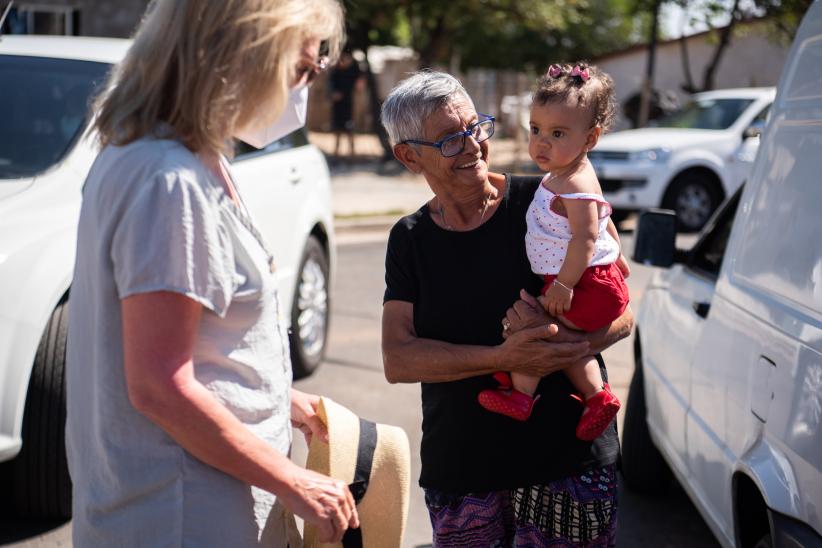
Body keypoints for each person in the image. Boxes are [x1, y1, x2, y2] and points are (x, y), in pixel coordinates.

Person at [65, 1, 359, 545]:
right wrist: (292, 480)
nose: (308, 84)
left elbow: (199, 343)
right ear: (245, 55)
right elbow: (160, 385)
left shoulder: (176, 154)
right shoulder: (167, 178)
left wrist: (276, 398)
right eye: (302, 68)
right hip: (182, 517)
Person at [380, 70, 633, 546]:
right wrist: (506, 357)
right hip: (465, 472)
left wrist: (557, 345)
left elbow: (622, 308)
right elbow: (398, 358)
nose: (473, 145)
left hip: (568, 465)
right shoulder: (410, 240)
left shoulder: (548, 201)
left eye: (475, 127)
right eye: (450, 139)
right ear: (409, 156)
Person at [477, 62, 630, 442]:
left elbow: (586, 238)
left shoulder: (575, 181)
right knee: (549, 328)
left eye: (557, 133)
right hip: (590, 278)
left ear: (590, 138)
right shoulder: (565, 173)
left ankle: (525, 394)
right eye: (535, 130)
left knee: (538, 326)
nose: (541, 142)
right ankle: (591, 396)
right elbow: (605, 213)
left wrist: (564, 285)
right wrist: (619, 254)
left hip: (585, 283)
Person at [328, 49, 362, 159]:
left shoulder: (352, 71)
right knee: (337, 129)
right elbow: (329, 89)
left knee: (350, 129)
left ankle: (352, 152)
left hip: (348, 105)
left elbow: (360, 83)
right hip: (337, 106)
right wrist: (333, 95)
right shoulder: (335, 72)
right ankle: (336, 152)